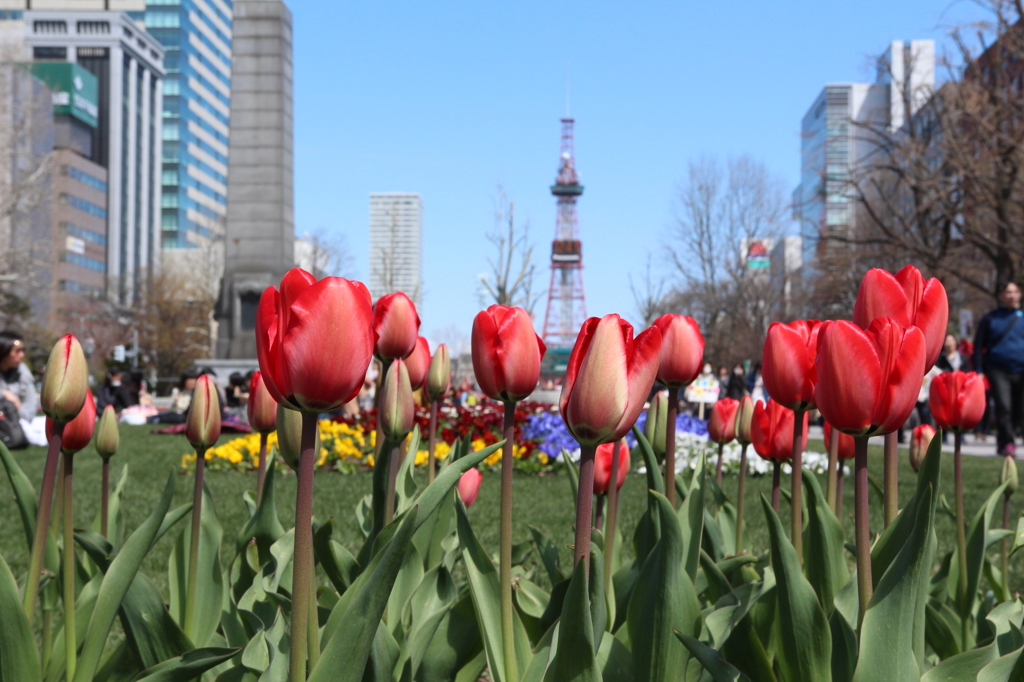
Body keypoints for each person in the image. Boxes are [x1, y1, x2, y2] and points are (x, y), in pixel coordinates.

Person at [973, 282, 1024, 455]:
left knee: (1019, 409)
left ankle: (1003, 441)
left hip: (1021, 370)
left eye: (1015, 292)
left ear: (1020, 295)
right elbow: (978, 346)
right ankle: (1008, 444)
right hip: (998, 369)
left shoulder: (1022, 317)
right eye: (1008, 292)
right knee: (1004, 407)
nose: (1012, 295)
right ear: (1001, 295)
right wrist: (979, 370)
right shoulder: (990, 319)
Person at [0, 331, 38, 421]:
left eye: (22, 350)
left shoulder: (23, 373)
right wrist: (3, 394)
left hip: (15, 427)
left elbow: (30, 410)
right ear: (3, 351)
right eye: (17, 351)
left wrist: (16, 407)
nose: (22, 355)